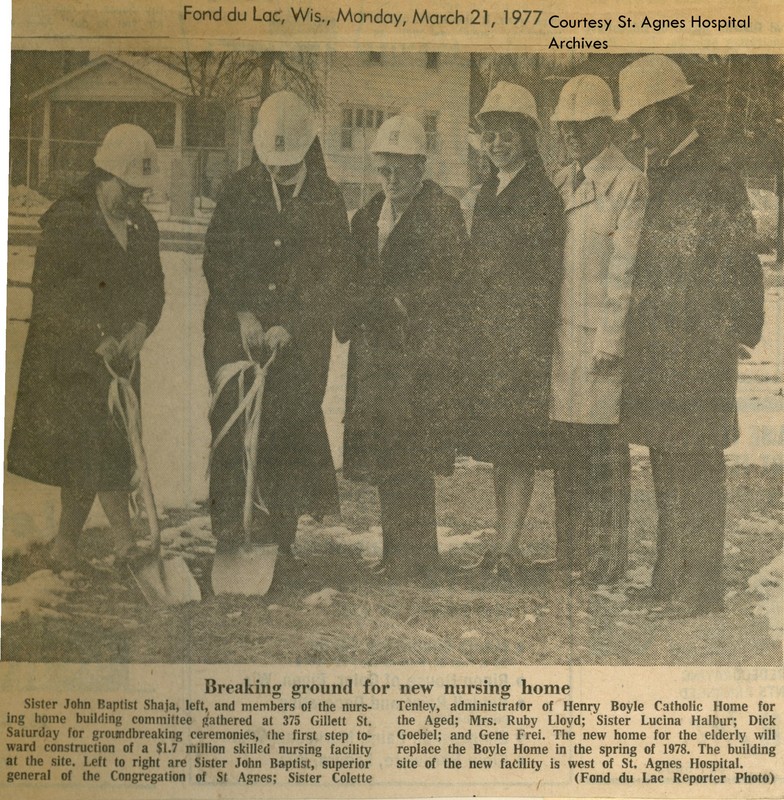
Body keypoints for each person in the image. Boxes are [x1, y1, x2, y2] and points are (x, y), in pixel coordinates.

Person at [615, 55, 765, 615]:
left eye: (645, 120)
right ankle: (668, 577)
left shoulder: (714, 171)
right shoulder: (667, 172)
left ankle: (698, 588)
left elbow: (739, 262)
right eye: (636, 124)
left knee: (695, 465)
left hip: (697, 350)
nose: (640, 132)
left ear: (670, 112)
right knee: (665, 459)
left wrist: (733, 335)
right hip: (661, 347)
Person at [202, 91, 352, 568]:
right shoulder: (238, 189)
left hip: (299, 338)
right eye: (272, 165)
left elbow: (332, 272)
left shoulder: (327, 200)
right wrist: (243, 312)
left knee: (287, 429)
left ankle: (280, 536)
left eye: (288, 166)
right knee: (234, 424)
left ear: (308, 150)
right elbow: (217, 258)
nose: (279, 174)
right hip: (235, 328)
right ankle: (230, 530)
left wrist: (293, 322)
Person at [7, 124, 165, 570]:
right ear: (105, 175)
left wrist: (139, 328)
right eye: (130, 190)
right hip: (71, 354)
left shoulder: (142, 224)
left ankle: (69, 547)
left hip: (122, 356)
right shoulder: (68, 218)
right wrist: (97, 335)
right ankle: (121, 542)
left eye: (142, 193)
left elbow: (154, 287)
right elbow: (52, 291)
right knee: (89, 444)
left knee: (112, 443)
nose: (137, 200)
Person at [337, 115, 468, 579]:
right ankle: (396, 553)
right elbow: (353, 277)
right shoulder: (369, 214)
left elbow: (451, 280)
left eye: (401, 170)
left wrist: (401, 302)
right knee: (385, 450)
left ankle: (419, 555)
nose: (392, 180)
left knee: (412, 451)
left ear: (420, 166)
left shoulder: (442, 211)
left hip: (418, 354)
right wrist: (355, 310)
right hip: (377, 354)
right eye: (384, 170)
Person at [462, 82, 564, 576]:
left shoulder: (541, 195)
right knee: (499, 444)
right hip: (488, 338)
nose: (498, 143)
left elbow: (542, 276)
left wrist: (524, 336)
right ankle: (505, 541)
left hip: (523, 341)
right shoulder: (483, 194)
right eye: (490, 135)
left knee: (518, 445)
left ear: (528, 137)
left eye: (508, 135)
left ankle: (507, 543)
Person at [549, 75, 648, 585]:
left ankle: (607, 557)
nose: (573, 136)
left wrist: (611, 337)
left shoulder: (628, 183)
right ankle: (570, 553)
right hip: (562, 336)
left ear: (606, 127)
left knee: (605, 451)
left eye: (583, 127)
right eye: (567, 128)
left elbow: (624, 269)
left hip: (599, 336)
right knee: (567, 446)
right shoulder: (562, 180)